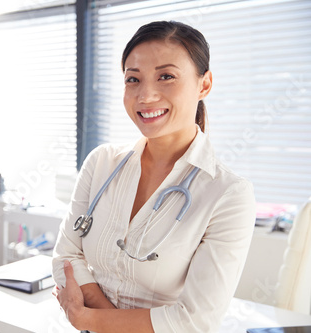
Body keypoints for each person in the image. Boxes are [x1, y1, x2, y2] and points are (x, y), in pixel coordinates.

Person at [51, 20, 256, 333]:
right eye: (133, 79)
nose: (145, 95)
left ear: (204, 84)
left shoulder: (228, 194)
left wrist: (89, 319)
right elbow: (65, 256)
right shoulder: (102, 163)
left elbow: (194, 320)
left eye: (166, 76)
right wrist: (102, 318)